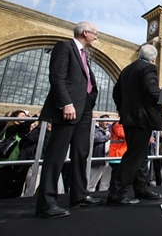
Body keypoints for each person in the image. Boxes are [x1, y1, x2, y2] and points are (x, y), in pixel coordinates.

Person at [35, 21, 101, 219]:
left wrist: (88, 104)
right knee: (56, 155)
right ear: (85, 33)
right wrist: (66, 103)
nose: (96, 37)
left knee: (81, 153)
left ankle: (79, 195)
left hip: (84, 112)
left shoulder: (84, 55)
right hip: (68, 110)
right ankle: (46, 203)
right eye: (95, 34)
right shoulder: (64, 47)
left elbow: (84, 81)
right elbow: (57, 77)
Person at [108, 44, 162, 206]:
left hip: (130, 119)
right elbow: (152, 90)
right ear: (153, 58)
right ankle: (117, 193)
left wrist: (123, 109)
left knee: (141, 155)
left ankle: (142, 188)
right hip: (142, 120)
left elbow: (116, 92)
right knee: (134, 156)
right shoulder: (148, 68)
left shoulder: (127, 69)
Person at [87, 114, 112, 192]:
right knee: (92, 181)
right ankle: (89, 194)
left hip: (108, 159)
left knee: (105, 182)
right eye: (105, 121)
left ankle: (102, 194)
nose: (107, 123)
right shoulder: (95, 129)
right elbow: (94, 138)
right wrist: (108, 137)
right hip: (98, 158)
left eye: (109, 121)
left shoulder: (109, 131)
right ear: (100, 122)